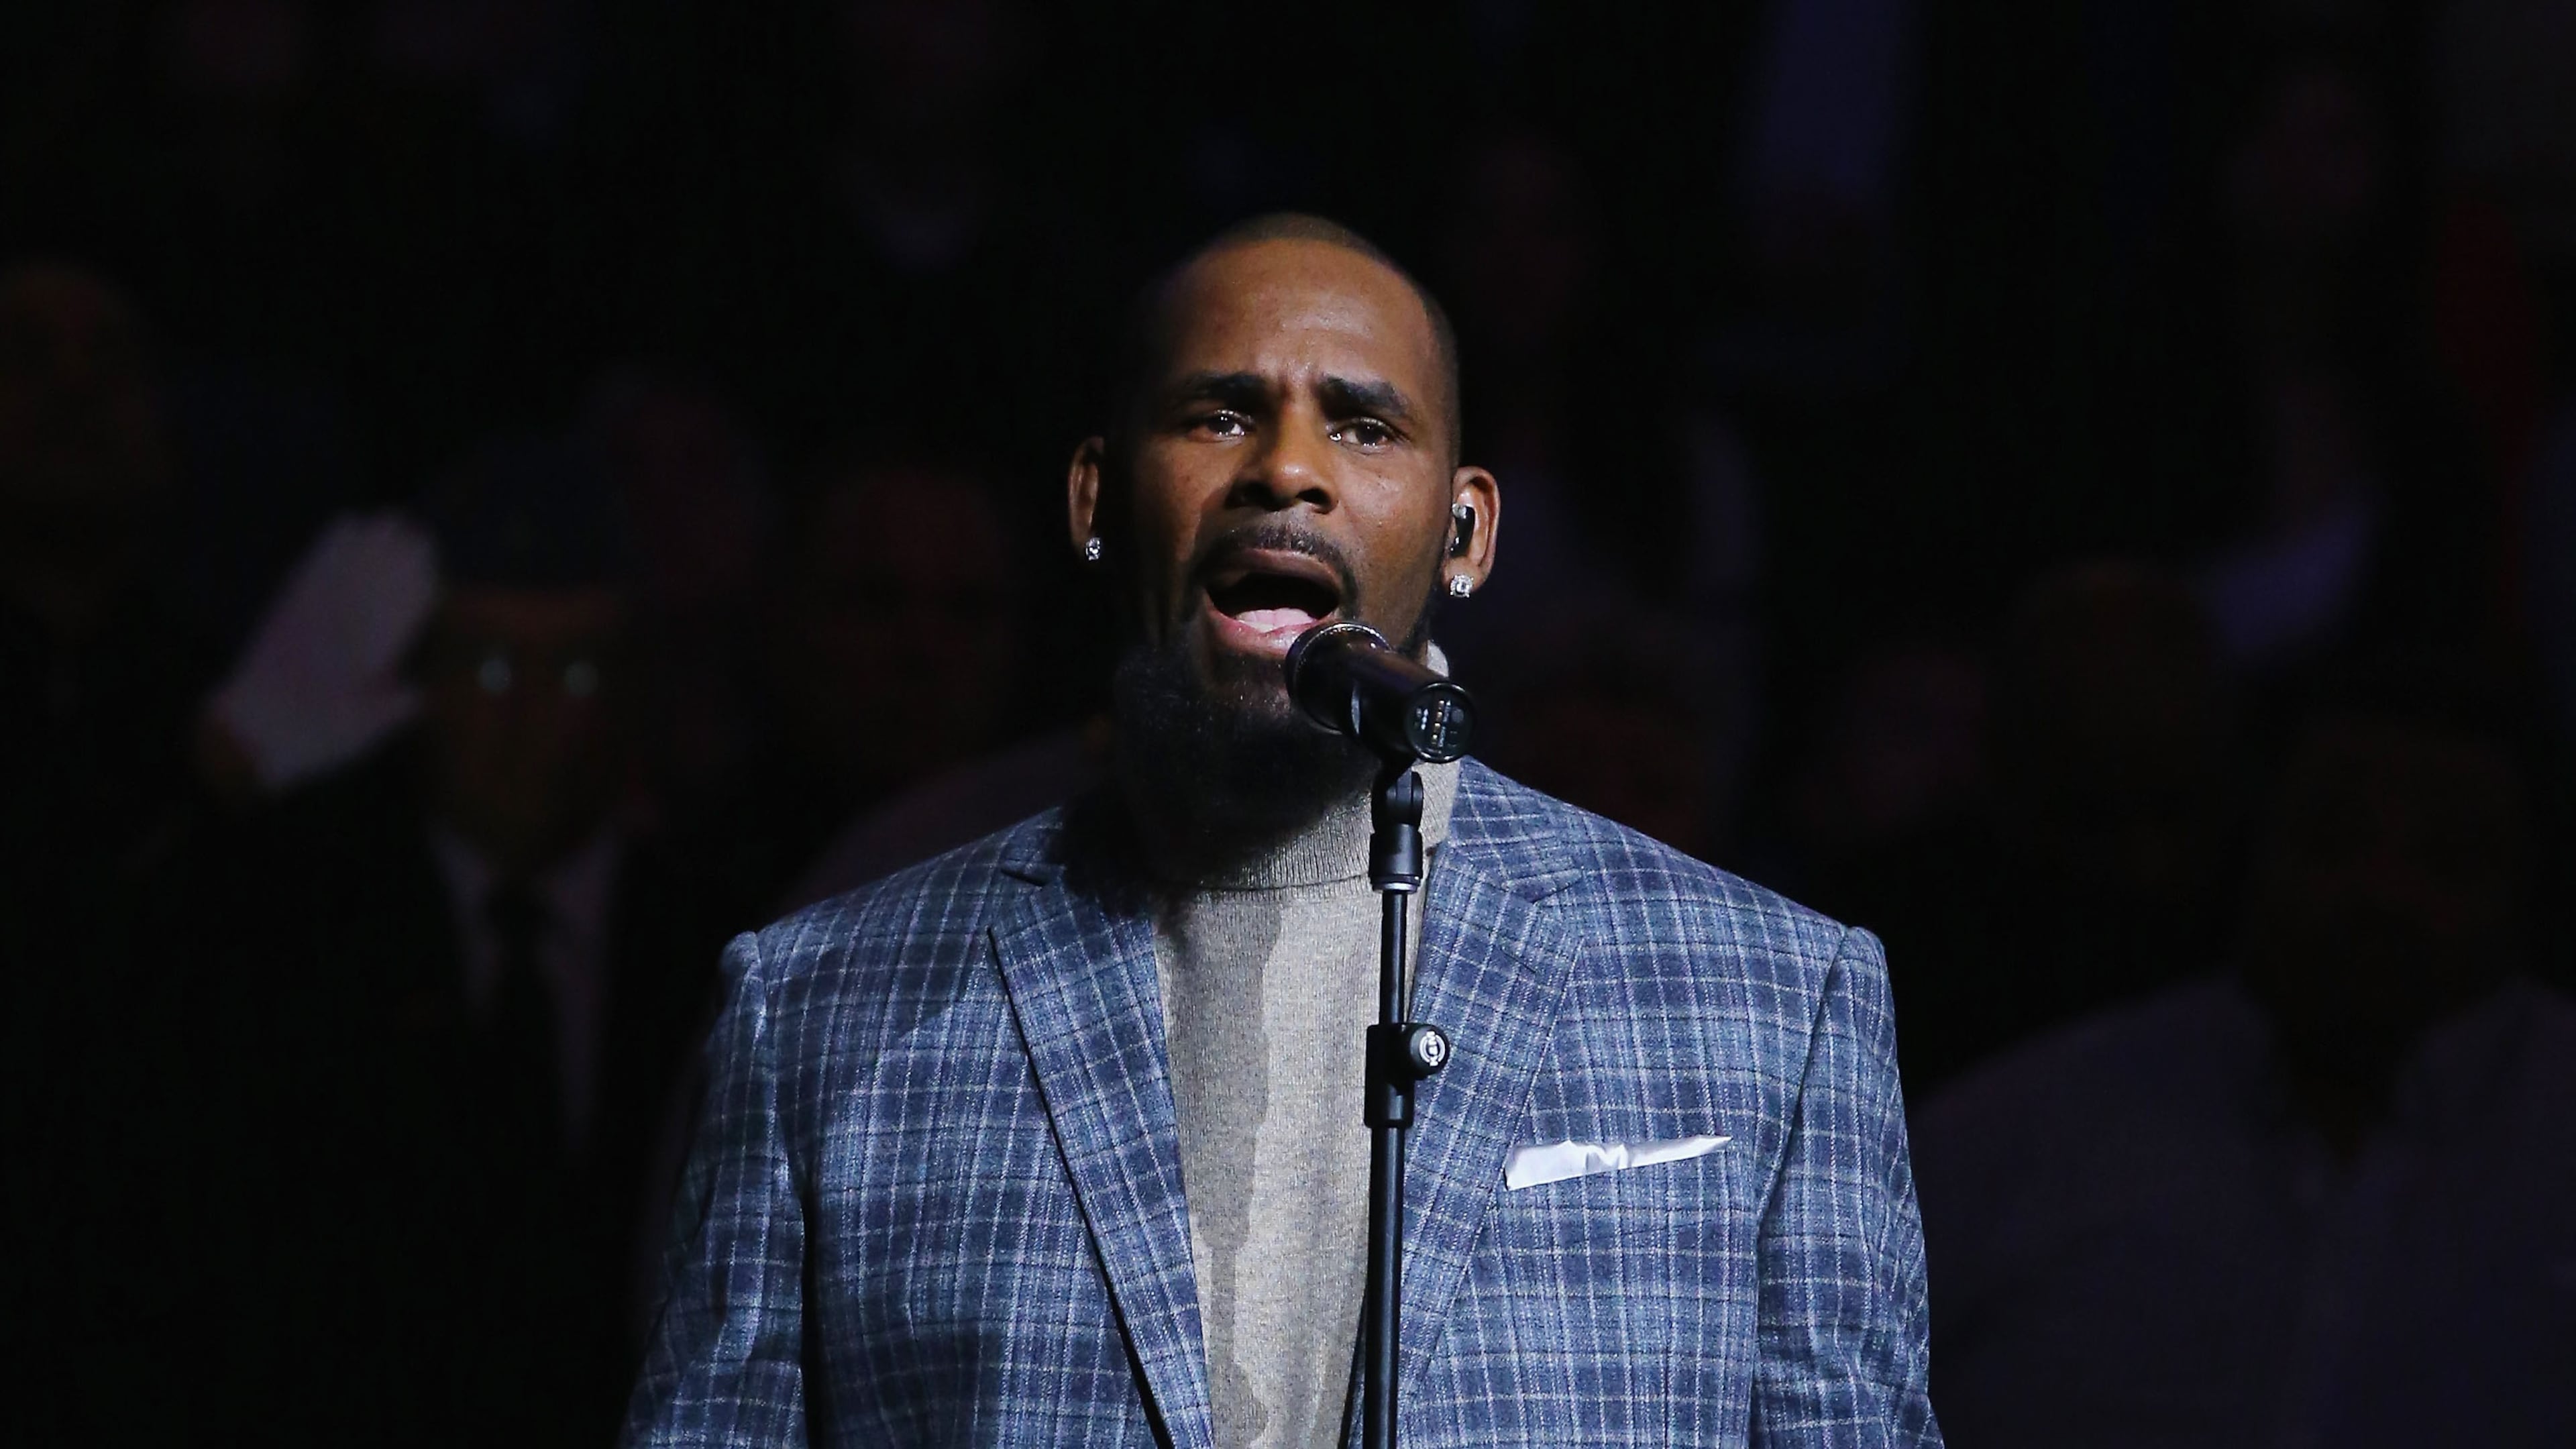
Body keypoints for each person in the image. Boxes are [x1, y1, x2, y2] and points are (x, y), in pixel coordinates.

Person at [627, 215, 1939, 1447]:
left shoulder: (1771, 1002)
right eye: (1219, 414)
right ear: (1094, 501)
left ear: (1468, 530)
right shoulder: (817, 1013)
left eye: (1365, 429)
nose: (1289, 470)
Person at [184, 435, 729, 1444]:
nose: (525, 719)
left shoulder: (720, 936)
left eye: (571, 671)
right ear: (417, 679)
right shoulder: (296, 942)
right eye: (486, 666)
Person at [1913, 661, 2576, 1447]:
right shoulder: (2032, 1128)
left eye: (2450, 855)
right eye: (2334, 835)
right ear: (2253, 845)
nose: (2382, 889)